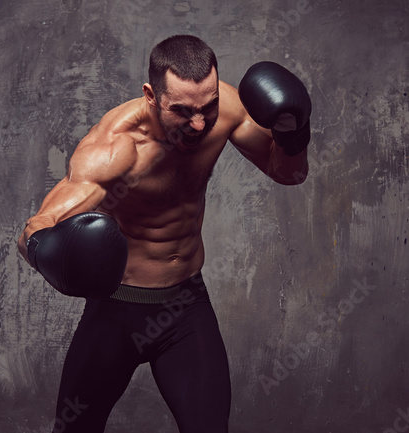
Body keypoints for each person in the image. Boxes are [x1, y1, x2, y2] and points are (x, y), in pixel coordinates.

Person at [18, 35, 311, 433]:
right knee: (74, 428)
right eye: (183, 111)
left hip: (185, 307)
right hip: (115, 310)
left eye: (207, 107)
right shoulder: (116, 148)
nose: (198, 123)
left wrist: (294, 134)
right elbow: (34, 230)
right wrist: (48, 251)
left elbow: (288, 173)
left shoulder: (224, 110)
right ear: (151, 96)